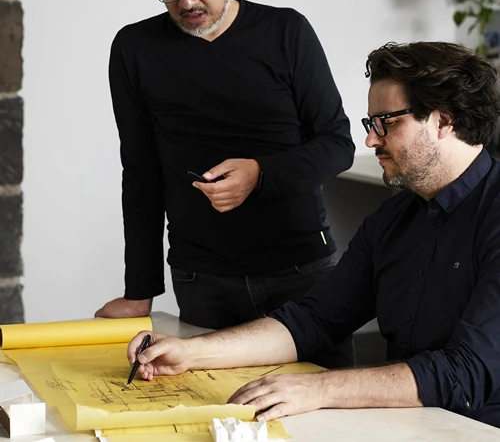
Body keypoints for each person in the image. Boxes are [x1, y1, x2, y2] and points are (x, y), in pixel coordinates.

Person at [126, 41, 500, 428]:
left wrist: (318, 388)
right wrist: (190, 352)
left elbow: (467, 372)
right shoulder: (394, 218)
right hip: (410, 423)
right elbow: (315, 319)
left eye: (386, 123)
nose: (371, 140)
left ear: (443, 121)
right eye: (370, 124)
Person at [95, 0, 355, 367]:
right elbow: (140, 174)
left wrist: (260, 174)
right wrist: (139, 292)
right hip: (202, 279)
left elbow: (337, 144)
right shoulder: (134, 47)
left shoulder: (287, 31)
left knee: (323, 399)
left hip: (300, 270)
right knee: (213, 404)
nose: (186, 2)